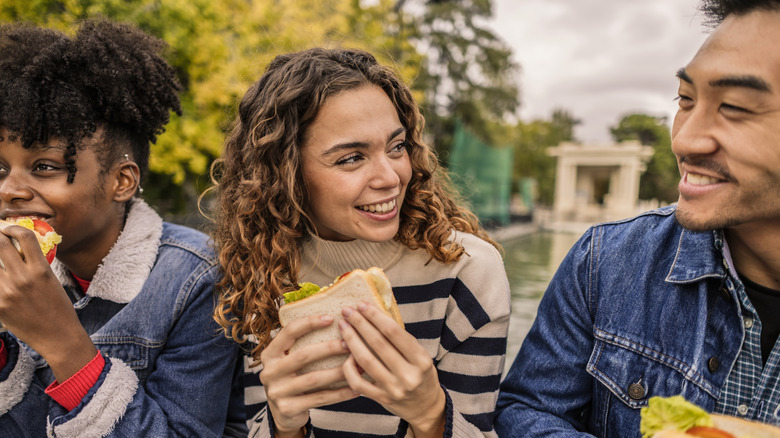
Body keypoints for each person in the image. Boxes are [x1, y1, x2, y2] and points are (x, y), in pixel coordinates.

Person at [495, 0, 780, 435]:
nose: (685, 140)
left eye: (736, 106)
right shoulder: (605, 262)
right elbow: (529, 408)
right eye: (685, 99)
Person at [209, 47, 511, 438]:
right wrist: (283, 426)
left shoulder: (467, 271)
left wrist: (431, 414)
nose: (390, 177)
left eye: (397, 146)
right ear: (286, 174)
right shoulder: (263, 268)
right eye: (351, 158)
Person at [0, 19, 244, 437]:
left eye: (45, 167)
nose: (9, 190)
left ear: (121, 181)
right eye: (1, 168)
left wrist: (62, 342)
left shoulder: (196, 279)